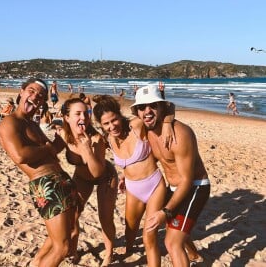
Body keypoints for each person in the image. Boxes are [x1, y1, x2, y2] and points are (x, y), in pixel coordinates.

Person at [0, 78, 78, 267]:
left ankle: (35, 264)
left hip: (59, 180)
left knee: (63, 234)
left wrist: (60, 140)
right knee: (62, 247)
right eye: (31, 91)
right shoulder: (10, 123)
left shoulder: (32, 124)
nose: (35, 97)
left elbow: (49, 153)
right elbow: (20, 156)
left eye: (41, 96)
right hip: (45, 184)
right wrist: (50, 147)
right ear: (22, 91)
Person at [131, 85, 210, 267]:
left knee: (171, 242)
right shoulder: (146, 131)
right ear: (137, 111)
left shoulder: (180, 134)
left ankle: (187, 251)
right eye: (142, 107)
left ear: (161, 107)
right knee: (173, 227)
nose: (147, 111)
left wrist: (165, 211)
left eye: (153, 106)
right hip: (174, 186)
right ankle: (194, 255)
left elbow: (187, 181)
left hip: (195, 186)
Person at [93, 95, 176, 267]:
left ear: (119, 115)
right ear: (101, 125)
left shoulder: (136, 126)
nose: (112, 126)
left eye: (114, 120)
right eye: (106, 124)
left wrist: (167, 124)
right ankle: (129, 251)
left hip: (154, 185)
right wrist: (126, 175)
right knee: (130, 229)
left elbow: (168, 107)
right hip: (132, 188)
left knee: (149, 234)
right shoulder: (108, 139)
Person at [59, 98, 118, 266]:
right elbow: (49, 153)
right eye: (77, 114)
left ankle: (108, 254)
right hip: (82, 178)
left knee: (105, 218)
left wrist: (86, 149)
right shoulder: (64, 134)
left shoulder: (96, 139)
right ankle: (73, 250)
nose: (83, 118)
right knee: (72, 216)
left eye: (86, 113)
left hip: (105, 177)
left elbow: (97, 171)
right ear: (66, 117)